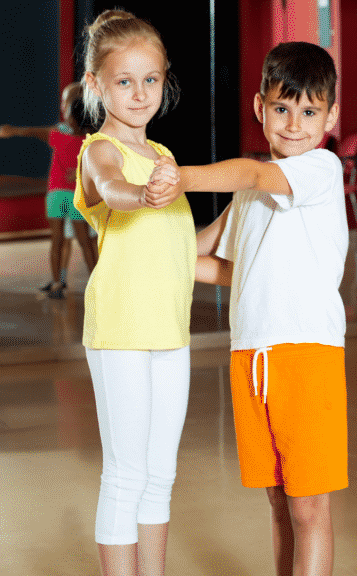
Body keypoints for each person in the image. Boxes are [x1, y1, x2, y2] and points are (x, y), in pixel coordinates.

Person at [155, 41, 349, 576]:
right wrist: (135, 247)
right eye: (282, 109)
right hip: (253, 359)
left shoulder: (320, 168)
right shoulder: (247, 195)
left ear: (330, 116)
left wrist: (184, 177)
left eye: (310, 112)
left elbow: (257, 175)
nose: (294, 125)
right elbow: (213, 262)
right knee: (279, 504)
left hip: (306, 355)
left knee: (309, 507)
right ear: (260, 107)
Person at [72, 9, 191, 576]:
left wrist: (248, 211)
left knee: (160, 473)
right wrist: (140, 195)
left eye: (151, 79)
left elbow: (187, 241)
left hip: (170, 330)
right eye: (124, 81)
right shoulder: (99, 150)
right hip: (120, 328)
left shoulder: (164, 157)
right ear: (96, 85)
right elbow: (112, 188)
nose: (140, 93)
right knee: (125, 472)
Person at [1, 81, 98, 298]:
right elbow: (35, 132)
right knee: (68, 241)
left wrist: (81, 173)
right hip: (65, 195)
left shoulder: (87, 138)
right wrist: (13, 131)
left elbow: (101, 161)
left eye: (68, 103)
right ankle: (58, 281)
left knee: (81, 241)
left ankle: (93, 282)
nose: (63, 107)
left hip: (72, 195)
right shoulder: (66, 133)